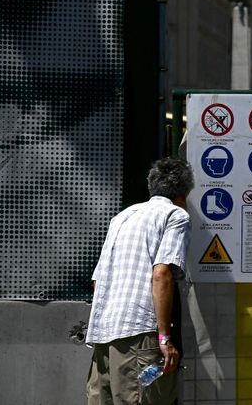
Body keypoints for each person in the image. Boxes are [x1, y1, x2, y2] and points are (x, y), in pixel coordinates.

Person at [86, 158, 194, 405]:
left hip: (104, 333)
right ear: (184, 193)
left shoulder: (122, 217)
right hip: (140, 335)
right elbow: (162, 274)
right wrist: (165, 338)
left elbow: (97, 281)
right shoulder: (175, 215)